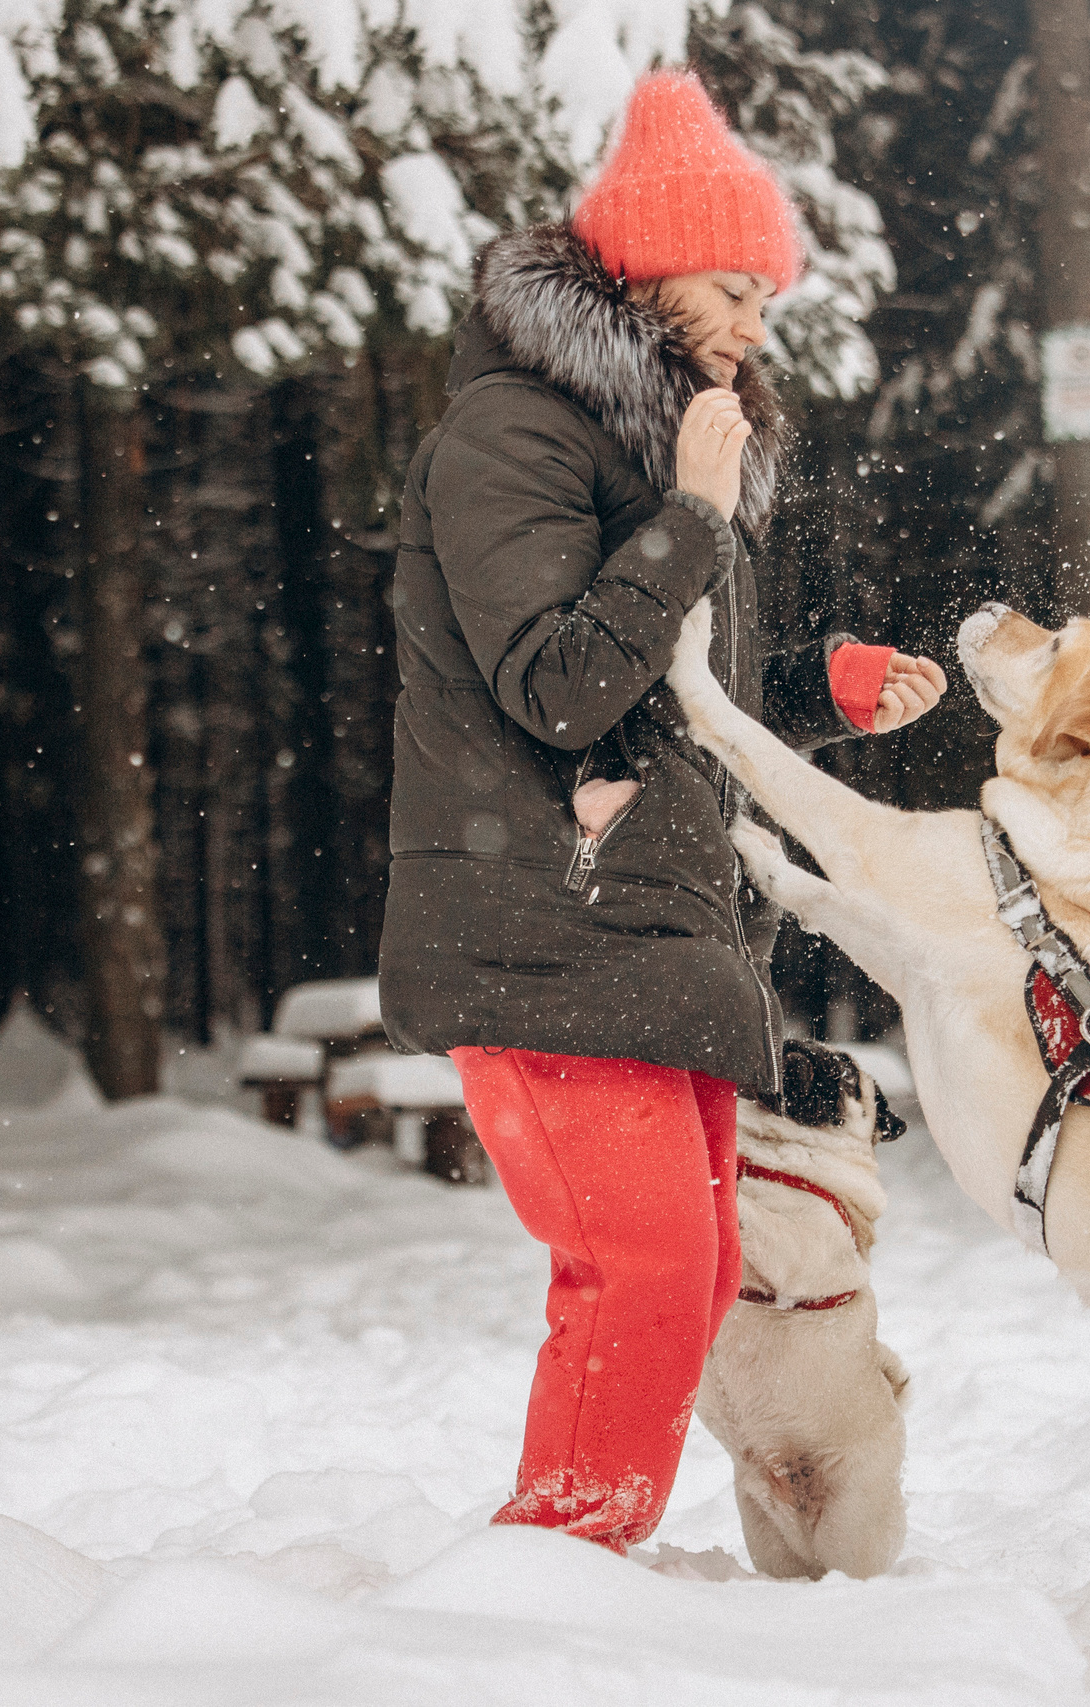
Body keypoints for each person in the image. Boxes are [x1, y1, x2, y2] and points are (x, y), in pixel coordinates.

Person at [377, 68, 945, 1554]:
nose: (757, 325)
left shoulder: (652, 452)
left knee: (687, 1278)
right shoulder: (512, 434)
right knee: (638, 1275)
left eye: (768, 299)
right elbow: (560, 685)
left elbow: (675, 696)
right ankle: (553, 1575)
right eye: (735, 290)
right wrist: (692, 518)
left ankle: (568, 1571)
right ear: (642, 273)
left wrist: (825, 686)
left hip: (647, 931)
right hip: (542, 928)